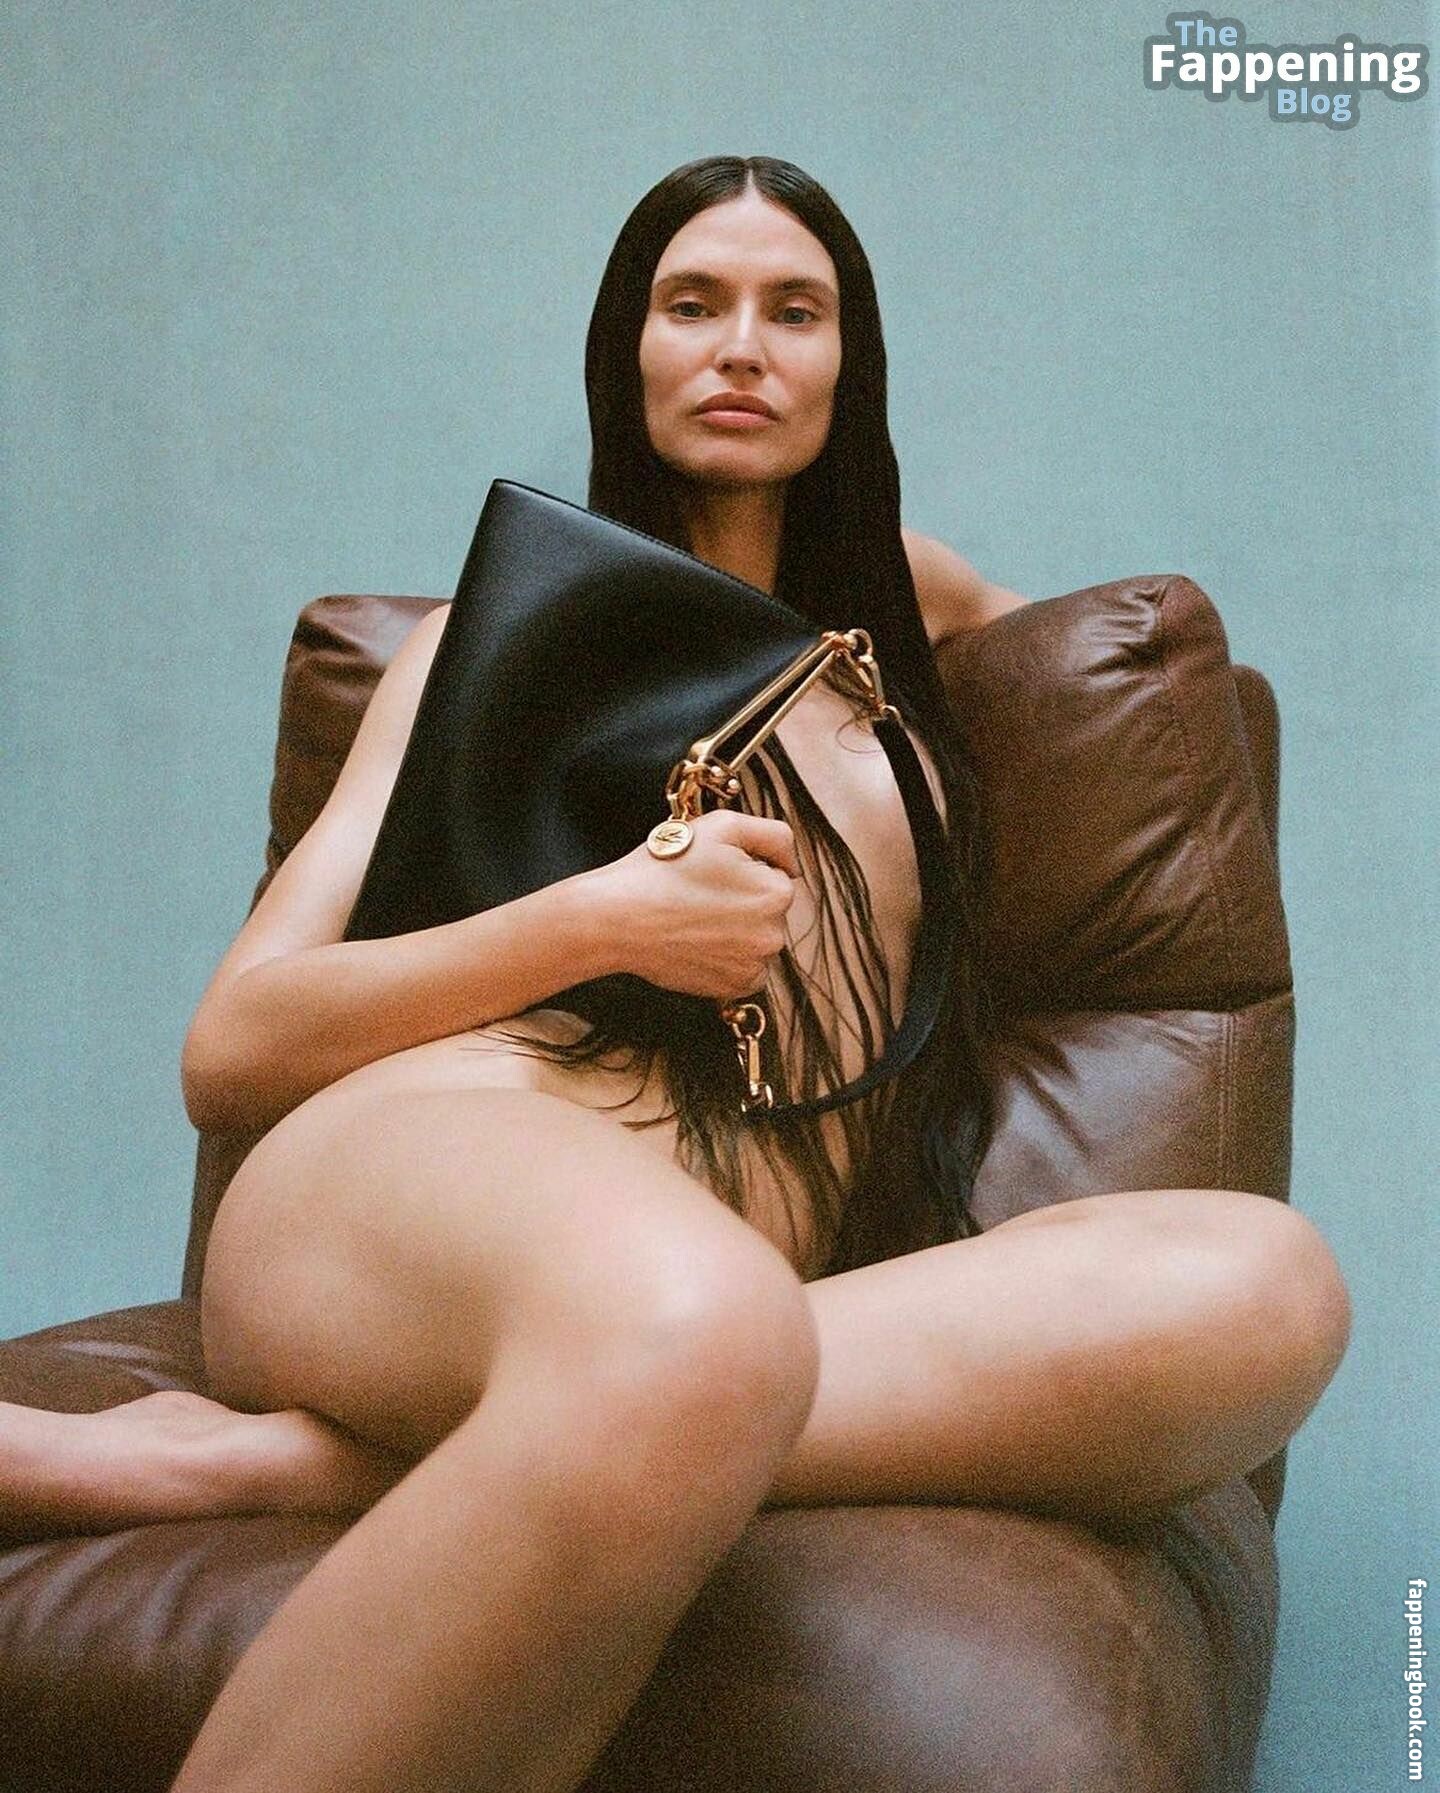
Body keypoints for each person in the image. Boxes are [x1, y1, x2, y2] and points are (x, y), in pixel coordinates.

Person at [0, 156, 1351, 1793]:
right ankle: (603, 1385)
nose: (741, 347)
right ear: (625, 352)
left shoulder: (899, 622)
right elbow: (232, 1044)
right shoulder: (490, 636)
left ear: (849, 367)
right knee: (701, 1326)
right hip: (423, 1180)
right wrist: (604, 918)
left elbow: (1123, 657)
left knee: (1265, 1285)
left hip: (737, 1302)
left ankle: (321, 1465)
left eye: (797, 311)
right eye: (692, 304)